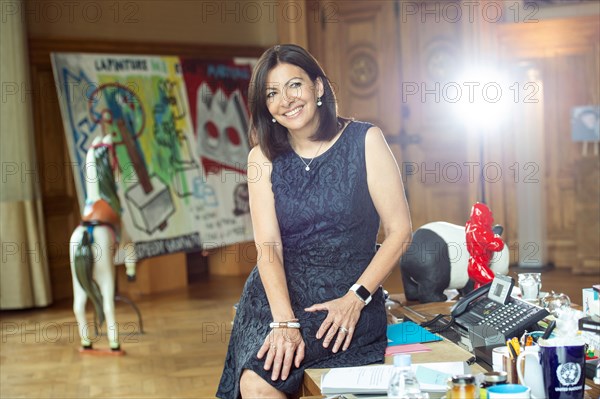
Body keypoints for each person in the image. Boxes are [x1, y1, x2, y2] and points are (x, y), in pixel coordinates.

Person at [216, 44, 412, 399]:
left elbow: (400, 232)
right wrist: (284, 321)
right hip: (276, 300)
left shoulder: (365, 140)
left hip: (349, 298)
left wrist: (356, 298)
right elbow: (268, 247)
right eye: (272, 93)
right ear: (265, 106)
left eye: (294, 85)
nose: (285, 100)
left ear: (318, 87)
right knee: (257, 383)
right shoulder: (261, 158)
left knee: (266, 380)